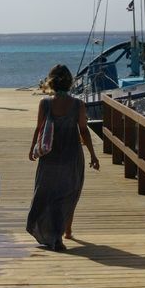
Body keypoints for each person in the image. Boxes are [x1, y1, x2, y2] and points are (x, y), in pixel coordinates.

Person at [26, 64, 99, 251]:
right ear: (69, 83)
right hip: (71, 155)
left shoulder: (45, 103)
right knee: (68, 193)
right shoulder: (77, 105)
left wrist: (33, 147)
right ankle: (62, 232)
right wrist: (92, 154)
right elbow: (83, 130)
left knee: (46, 193)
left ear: (51, 82)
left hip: (49, 156)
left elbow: (39, 128)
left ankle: (53, 233)